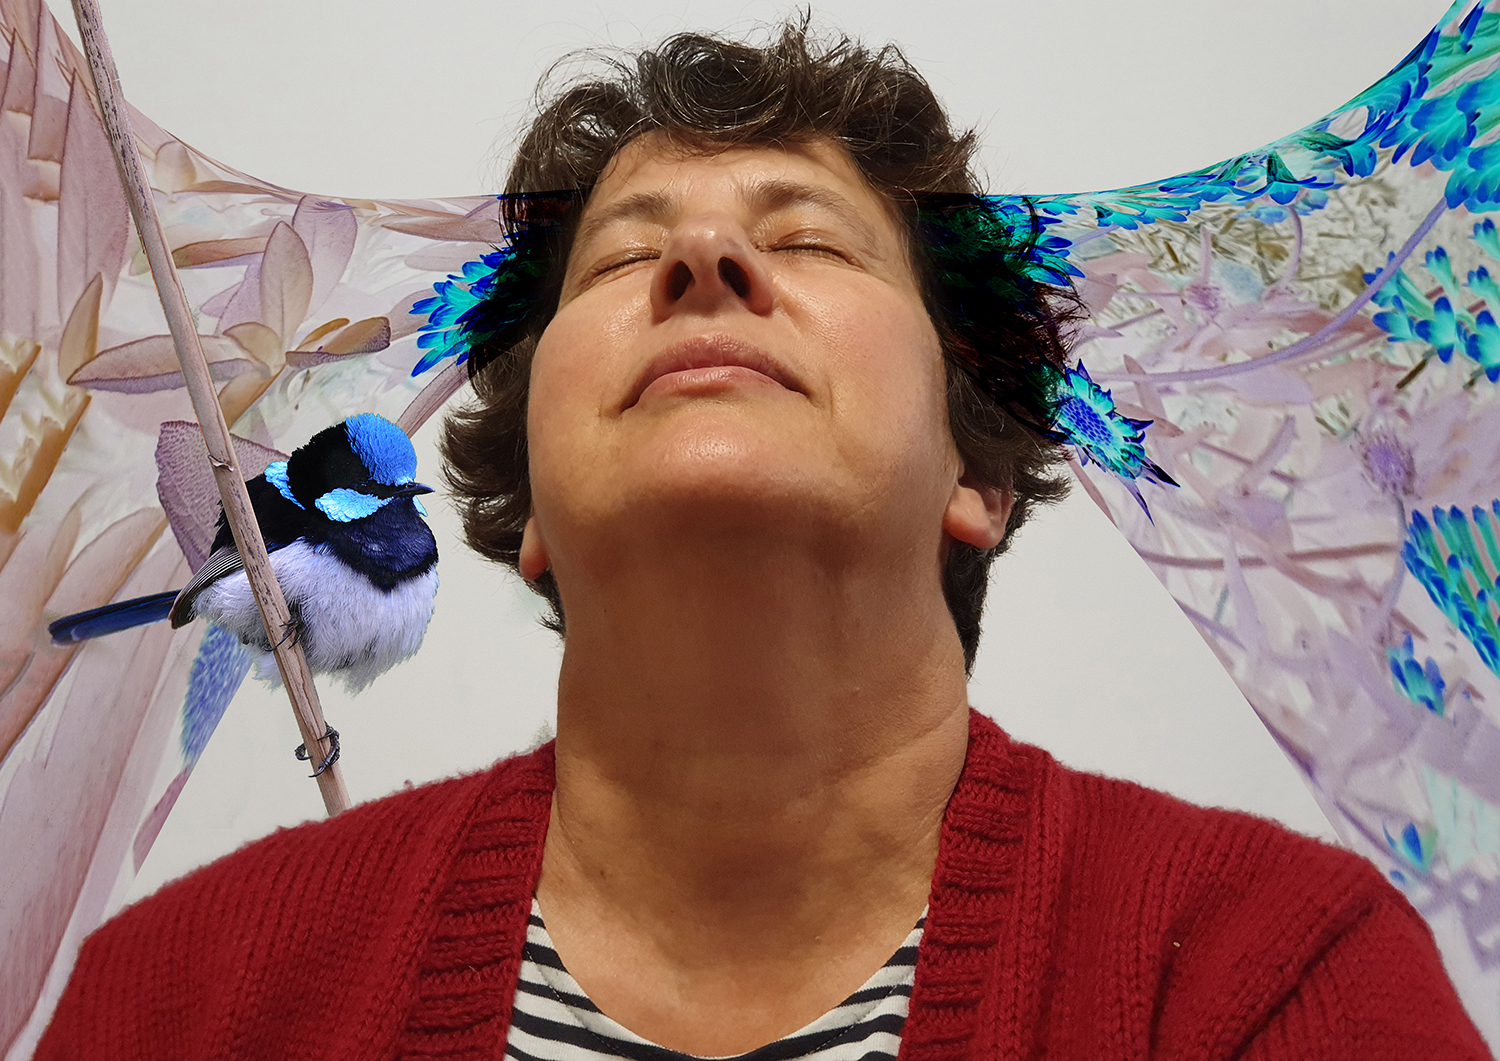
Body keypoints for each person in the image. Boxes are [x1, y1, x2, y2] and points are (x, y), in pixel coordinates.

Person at [35, 21, 1491, 1061]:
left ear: (973, 472)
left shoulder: (1275, 983)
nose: (702, 258)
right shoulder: (181, 1004)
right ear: (529, 512)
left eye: (807, 240)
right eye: (624, 253)